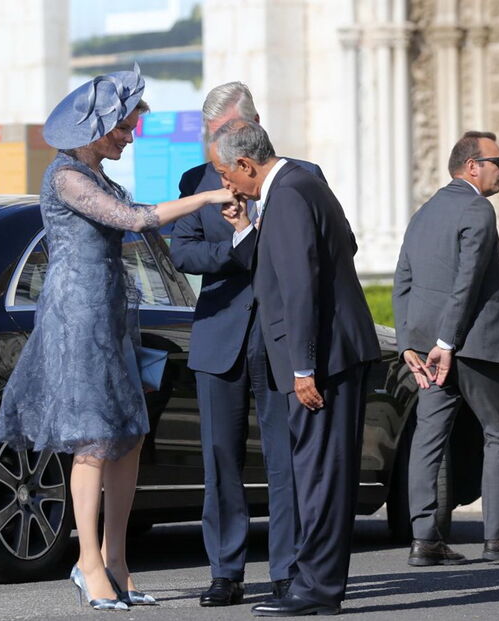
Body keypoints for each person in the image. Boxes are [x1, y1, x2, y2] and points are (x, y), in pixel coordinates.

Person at [0, 65, 237, 612]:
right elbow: (132, 220)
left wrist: (225, 221)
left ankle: (118, 561)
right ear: (96, 126)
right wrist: (204, 199)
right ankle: (88, 563)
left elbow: (151, 227)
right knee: (95, 439)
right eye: (124, 127)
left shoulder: (98, 176)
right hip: (75, 320)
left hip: (109, 317)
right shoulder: (65, 176)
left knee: (128, 436)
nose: (130, 137)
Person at [209, 119, 380, 616]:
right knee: (321, 471)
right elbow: (344, 245)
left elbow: (300, 285)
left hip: (321, 358)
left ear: (246, 164)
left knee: (320, 474)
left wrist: (303, 367)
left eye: (225, 174)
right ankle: (318, 584)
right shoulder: (304, 182)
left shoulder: (285, 195)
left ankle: (316, 589)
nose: (226, 185)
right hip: (336, 350)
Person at [169, 82, 324, 607]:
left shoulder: (300, 177)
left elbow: (320, 253)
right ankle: (225, 571)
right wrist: (237, 241)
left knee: (285, 459)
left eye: (226, 134)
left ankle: (286, 570)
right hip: (220, 334)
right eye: (211, 137)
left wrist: (254, 228)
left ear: (252, 126)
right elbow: (184, 253)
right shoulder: (197, 180)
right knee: (220, 458)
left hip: (279, 338)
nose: (218, 153)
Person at [392, 130, 499, 567]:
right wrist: (447, 341)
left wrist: (410, 344)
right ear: (472, 166)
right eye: (498, 162)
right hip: (471, 346)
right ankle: (498, 535)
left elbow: (403, 280)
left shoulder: (422, 214)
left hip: (428, 349)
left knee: (428, 440)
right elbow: (468, 279)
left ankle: (424, 541)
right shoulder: (477, 208)